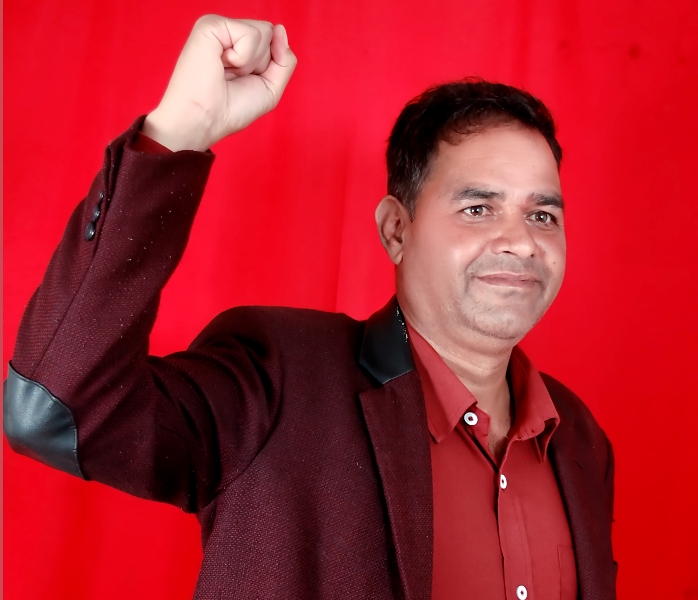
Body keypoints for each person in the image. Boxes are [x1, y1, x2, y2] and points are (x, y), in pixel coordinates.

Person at [3, 15, 616, 600]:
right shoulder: (277, 378)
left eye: (543, 215)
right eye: (478, 209)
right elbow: (59, 408)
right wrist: (180, 131)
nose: (521, 241)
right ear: (396, 230)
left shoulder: (581, 440)